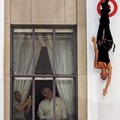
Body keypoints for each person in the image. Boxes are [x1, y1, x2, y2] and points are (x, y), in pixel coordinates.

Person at [91, 0, 112, 96]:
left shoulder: (97, 65)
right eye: (105, 77)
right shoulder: (108, 66)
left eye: (102, 77)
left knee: (101, 25)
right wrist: (106, 89)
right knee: (106, 26)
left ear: (101, 74)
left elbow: (96, 53)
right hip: (107, 44)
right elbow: (110, 79)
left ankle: (105, 8)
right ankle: (105, 8)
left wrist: (94, 43)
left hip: (99, 44)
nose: (104, 76)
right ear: (106, 74)